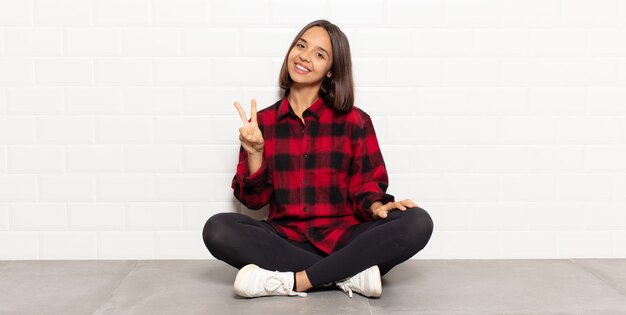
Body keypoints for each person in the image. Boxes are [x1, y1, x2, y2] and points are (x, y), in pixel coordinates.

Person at [202, 19, 433, 299]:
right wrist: (255, 153)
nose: (304, 56)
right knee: (217, 229)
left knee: (418, 221)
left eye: (319, 54)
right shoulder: (260, 123)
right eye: (301, 46)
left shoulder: (355, 121)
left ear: (331, 72)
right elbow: (253, 201)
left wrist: (376, 207)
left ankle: (297, 281)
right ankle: (347, 275)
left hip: (345, 238)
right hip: (284, 239)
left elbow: (366, 185)